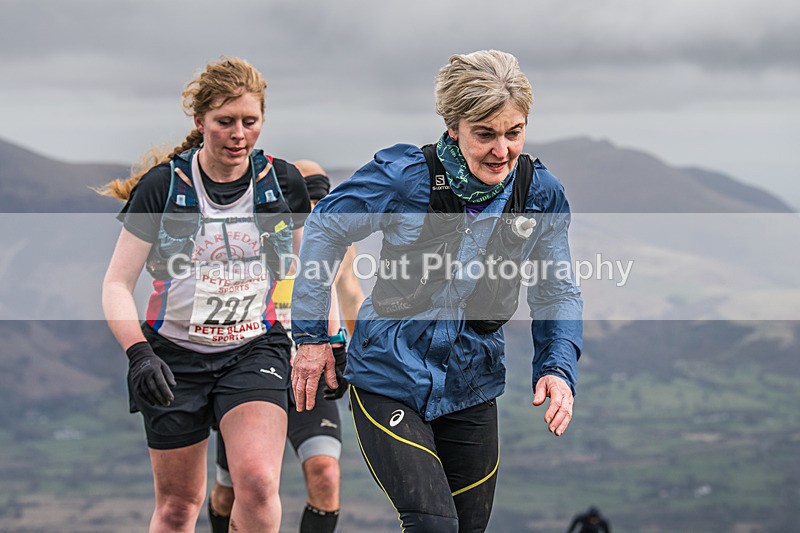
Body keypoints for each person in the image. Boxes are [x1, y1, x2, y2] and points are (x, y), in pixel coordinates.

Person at [290, 50, 584, 532]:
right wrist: (311, 338)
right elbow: (326, 226)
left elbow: (557, 291)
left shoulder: (539, 193)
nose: (502, 151)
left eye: (514, 133)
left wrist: (557, 366)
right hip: (388, 376)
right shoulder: (406, 176)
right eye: (485, 134)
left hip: (471, 383)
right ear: (454, 126)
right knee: (433, 526)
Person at [100, 56, 311, 532]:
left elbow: (310, 274)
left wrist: (322, 341)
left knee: (256, 483)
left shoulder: (282, 184)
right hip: (173, 357)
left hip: (254, 347)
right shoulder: (163, 187)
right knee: (178, 506)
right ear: (200, 122)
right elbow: (116, 283)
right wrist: (138, 355)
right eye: (225, 122)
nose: (239, 134)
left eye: (250, 121)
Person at [208, 160, 364, 533]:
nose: (313, 208)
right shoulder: (258, 236)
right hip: (255, 371)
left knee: (326, 473)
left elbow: (352, 297)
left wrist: (356, 361)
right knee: (232, 492)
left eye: (320, 198)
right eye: (305, 197)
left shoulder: (339, 242)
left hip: (314, 370)